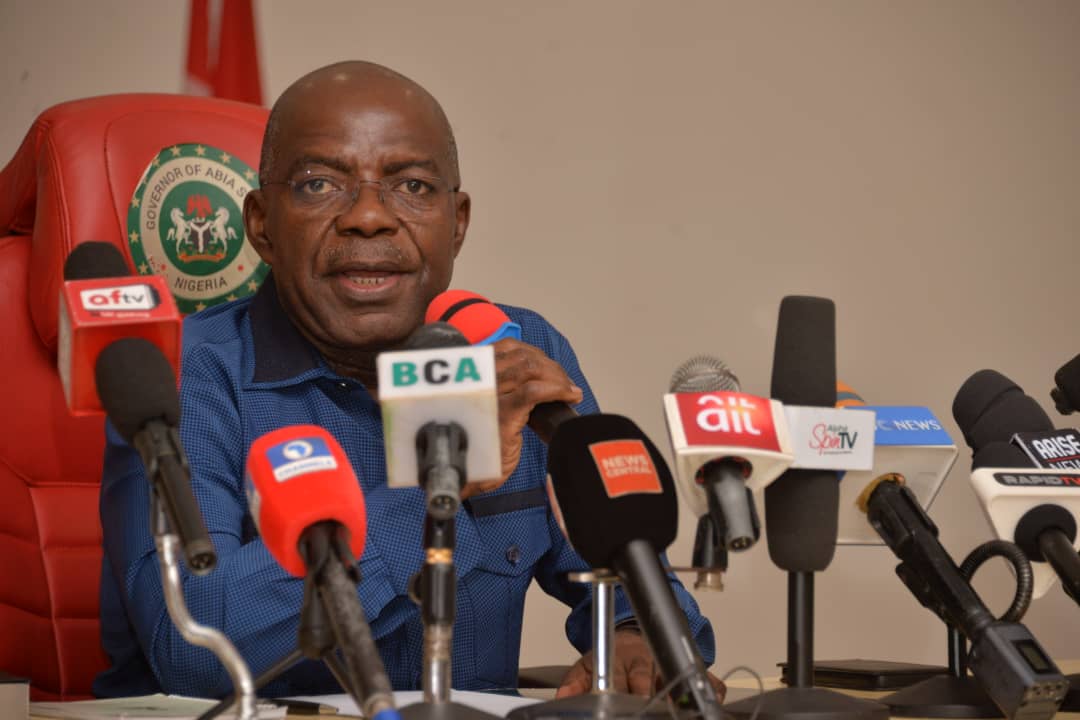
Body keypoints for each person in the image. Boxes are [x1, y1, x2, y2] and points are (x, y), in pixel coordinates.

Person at [95, 60, 719, 700]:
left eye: (414, 186)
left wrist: (635, 635)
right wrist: (438, 487)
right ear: (261, 224)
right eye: (318, 185)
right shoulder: (183, 377)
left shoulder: (512, 354)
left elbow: (624, 568)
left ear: (458, 222)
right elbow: (195, 647)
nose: (369, 216)